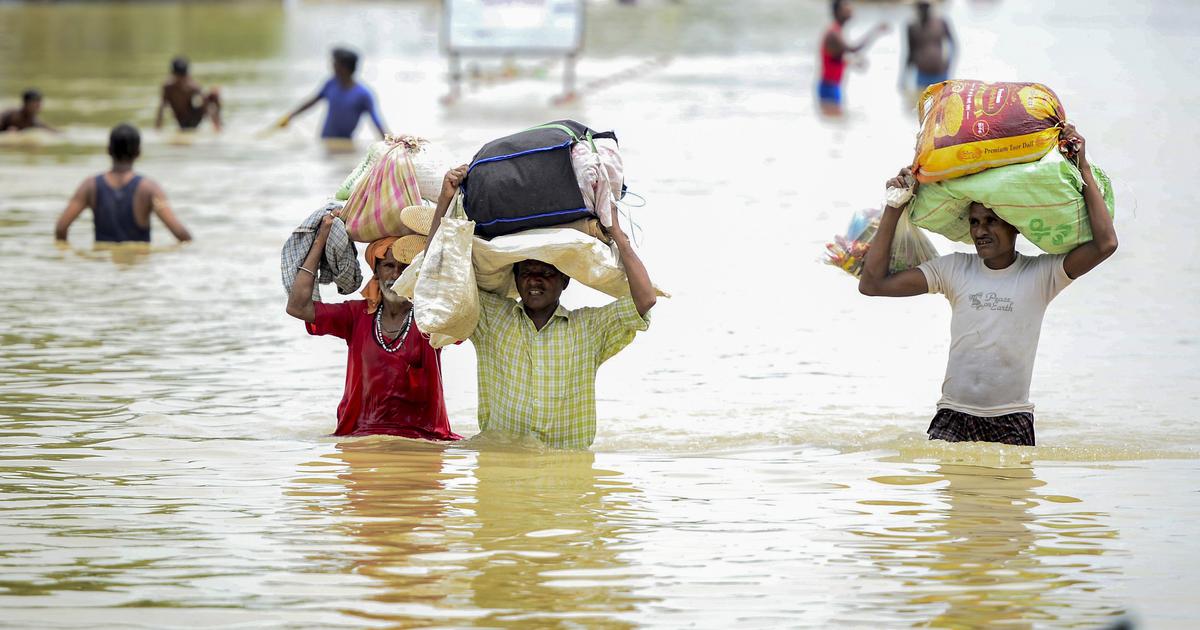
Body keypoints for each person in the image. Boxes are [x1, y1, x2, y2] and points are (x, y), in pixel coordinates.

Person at [858, 123, 1117, 446]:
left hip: (1012, 418)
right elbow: (873, 284)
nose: (980, 231)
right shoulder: (954, 269)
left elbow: (1105, 244)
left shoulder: (1041, 276)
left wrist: (1085, 171)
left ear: (1016, 226)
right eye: (975, 222)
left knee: (1008, 495)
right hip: (953, 415)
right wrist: (894, 207)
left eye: (991, 221)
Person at [427, 166, 657, 450]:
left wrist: (618, 236)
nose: (534, 280)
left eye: (545, 273)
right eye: (526, 272)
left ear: (565, 281)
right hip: (502, 470)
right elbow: (439, 278)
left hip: (567, 474)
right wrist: (445, 200)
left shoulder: (589, 327)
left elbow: (645, 300)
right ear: (515, 278)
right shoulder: (491, 318)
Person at [285, 218, 460, 440]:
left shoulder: (430, 317)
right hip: (360, 437)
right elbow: (297, 306)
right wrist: (322, 238)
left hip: (423, 441)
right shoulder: (355, 315)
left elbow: (460, 308)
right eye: (388, 266)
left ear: (415, 273)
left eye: (405, 267)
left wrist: (445, 202)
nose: (396, 275)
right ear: (376, 271)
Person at [55, 124, 192, 244]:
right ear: (138, 152)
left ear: (108, 150)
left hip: (101, 267)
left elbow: (61, 228)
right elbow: (181, 234)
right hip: (137, 269)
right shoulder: (149, 188)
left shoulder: (90, 186)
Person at [279, 48, 387, 140]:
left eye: (335, 63)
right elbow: (312, 102)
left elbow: (376, 121)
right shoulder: (331, 84)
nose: (332, 65)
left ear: (344, 68)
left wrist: (389, 143)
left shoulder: (364, 94)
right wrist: (290, 116)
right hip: (325, 140)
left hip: (344, 144)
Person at [819, 0, 888, 116]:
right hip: (829, 87)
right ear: (837, 12)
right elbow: (853, 49)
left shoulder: (837, 31)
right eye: (845, 6)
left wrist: (851, 62)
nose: (850, 9)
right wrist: (875, 31)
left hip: (832, 86)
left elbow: (835, 57)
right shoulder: (833, 33)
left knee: (836, 123)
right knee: (836, 123)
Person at [155, 57, 223, 132]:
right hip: (181, 121)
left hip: (194, 119)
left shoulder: (193, 88)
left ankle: (220, 125)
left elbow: (206, 106)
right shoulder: (168, 88)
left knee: (214, 95)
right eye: (178, 77)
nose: (181, 81)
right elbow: (162, 107)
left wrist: (215, 125)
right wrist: (157, 128)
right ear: (173, 74)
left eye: (183, 77)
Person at [902, 0, 956, 91]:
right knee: (922, 102)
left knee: (942, 102)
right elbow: (910, 53)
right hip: (922, 74)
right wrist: (904, 77)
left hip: (941, 72)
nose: (923, 10)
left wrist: (949, 63)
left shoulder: (941, 22)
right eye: (920, 6)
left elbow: (953, 45)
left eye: (926, 6)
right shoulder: (912, 27)